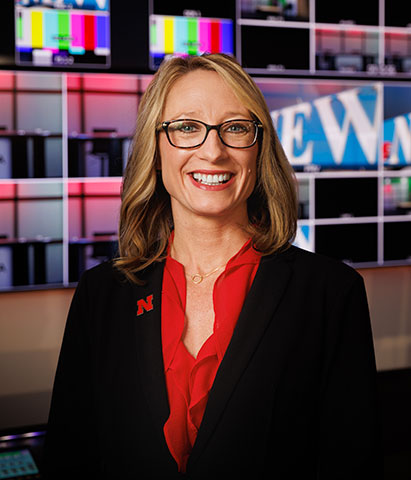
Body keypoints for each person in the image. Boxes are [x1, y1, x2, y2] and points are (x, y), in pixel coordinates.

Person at [42, 53, 382, 479]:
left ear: (259, 149)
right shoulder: (101, 294)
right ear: (155, 147)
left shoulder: (332, 293)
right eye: (187, 128)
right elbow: (69, 461)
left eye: (236, 128)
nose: (214, 151)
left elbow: (351, 465)